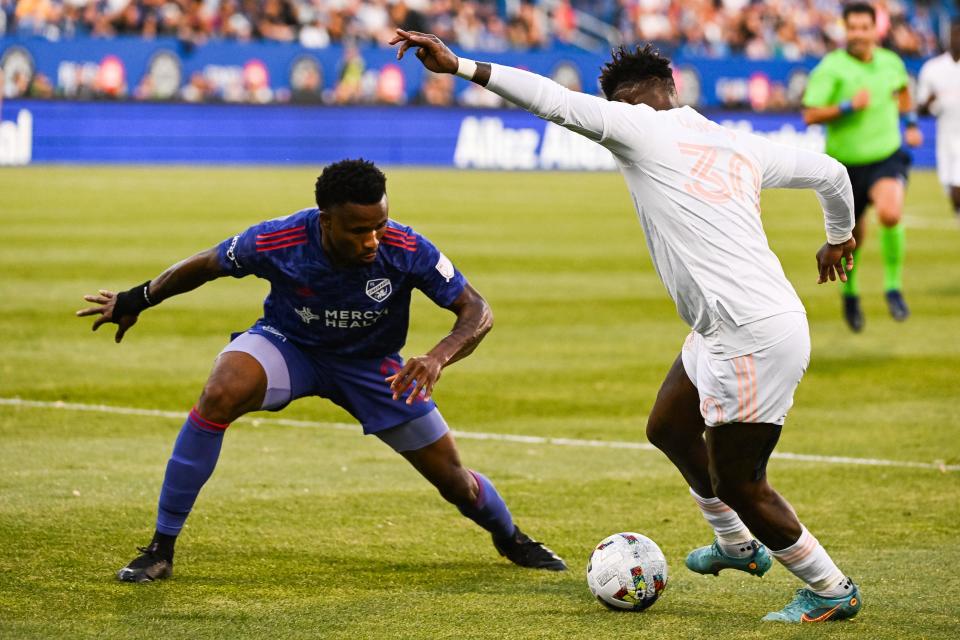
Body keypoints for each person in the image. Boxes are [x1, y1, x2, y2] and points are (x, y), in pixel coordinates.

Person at [391, 29, 861, 623]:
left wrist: (458, 65)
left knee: (742, 481)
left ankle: (829, 588)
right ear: (671, 89)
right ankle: (737, 545)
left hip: (750, 334)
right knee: (668, 427)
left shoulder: (634, 126)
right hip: (725, 327)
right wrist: (839, 235)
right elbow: (832, 173)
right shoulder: (735, 143)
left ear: (623, 102)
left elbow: (550, 99)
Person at [76, 159, 567, 583]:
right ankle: (161, 548)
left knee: (453, 480)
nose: (374, 240)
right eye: (359, 230)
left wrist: (437, 356)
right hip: (292, 345)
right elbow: (206, 264)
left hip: (374, 368)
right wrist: (137, 298)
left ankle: (511, 538)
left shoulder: (407, 247)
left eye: (380, 225)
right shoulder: (277, 238)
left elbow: (477, 309)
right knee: (220, 392)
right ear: (326, 221)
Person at [802, 2, 923, 332]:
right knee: (852, 237)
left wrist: (910, 124)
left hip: (886, 155)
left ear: (875, 30)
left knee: (890, 212)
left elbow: (902, 91)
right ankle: (851, 293)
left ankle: (893, 288)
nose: (858, 33)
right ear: (845, 29)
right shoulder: (831, 67)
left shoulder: (890, 62)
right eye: (852, 27)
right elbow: (809, 114)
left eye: (863, 27)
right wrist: (846, 106)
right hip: (844, 167)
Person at [917, 18, 960, 221]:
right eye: (955, 33)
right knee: (948, 186)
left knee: (957, 186)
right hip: (945, 135)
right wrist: (928, 103)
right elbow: (921, 109)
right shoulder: (932, 68)